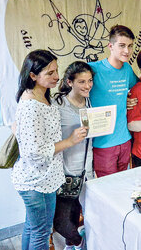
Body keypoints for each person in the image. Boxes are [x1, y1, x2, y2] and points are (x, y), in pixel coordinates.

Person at [11, 50, 88, 250]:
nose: (56, 77)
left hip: (44, 178)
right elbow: (34, 153)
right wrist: (70, 141)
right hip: (36, 182)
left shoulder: (43, 96)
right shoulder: (31, 105)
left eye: (56, 71)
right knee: (41, 233)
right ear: (33, 75)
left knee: (32, 227)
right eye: (50, 73)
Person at [53, 61, 94, 250]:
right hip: (63, 172)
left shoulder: (91, 101)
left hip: (85, 171)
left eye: (90, 81)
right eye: (82, 82)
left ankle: (73, 244)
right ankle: (79, 241)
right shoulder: (58, 104)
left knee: (76, 214)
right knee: (61, 222)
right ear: (70, 82)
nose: (87, 86)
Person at [88, 25, 138, 177]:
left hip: (125, 140)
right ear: (110, 46)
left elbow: (138, 89)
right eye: (122, 46)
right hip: (102, 144)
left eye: (130, 46)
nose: (127, 51)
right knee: (107, 189)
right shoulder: (93, 69)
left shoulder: (127, 69)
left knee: (123, 184)